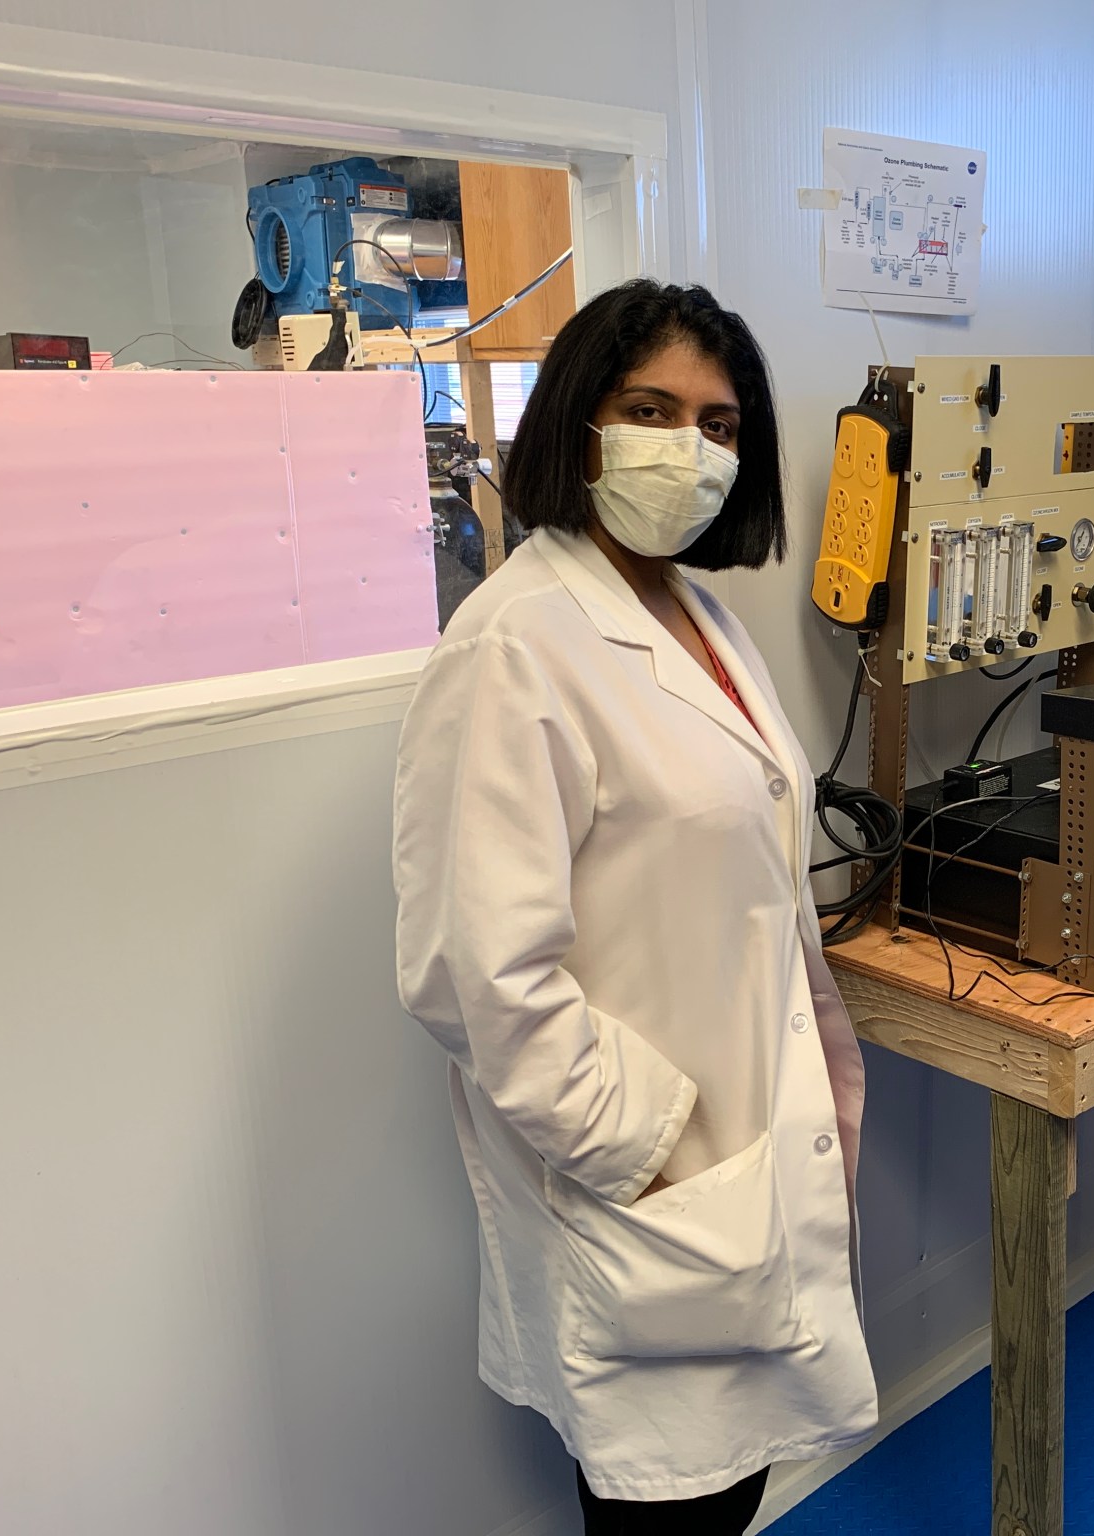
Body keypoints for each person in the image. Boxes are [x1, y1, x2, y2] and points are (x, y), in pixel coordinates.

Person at [393, 279, 878, 1531]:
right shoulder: (515, 644)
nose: (690, 448)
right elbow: (474, 973)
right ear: (578, 421)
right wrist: (649, 1143)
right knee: (666, 1508)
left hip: (742, 1152)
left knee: (724, 1494)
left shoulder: (700, 613)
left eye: (718, 424)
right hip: (648, 1178)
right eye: (650, 408)